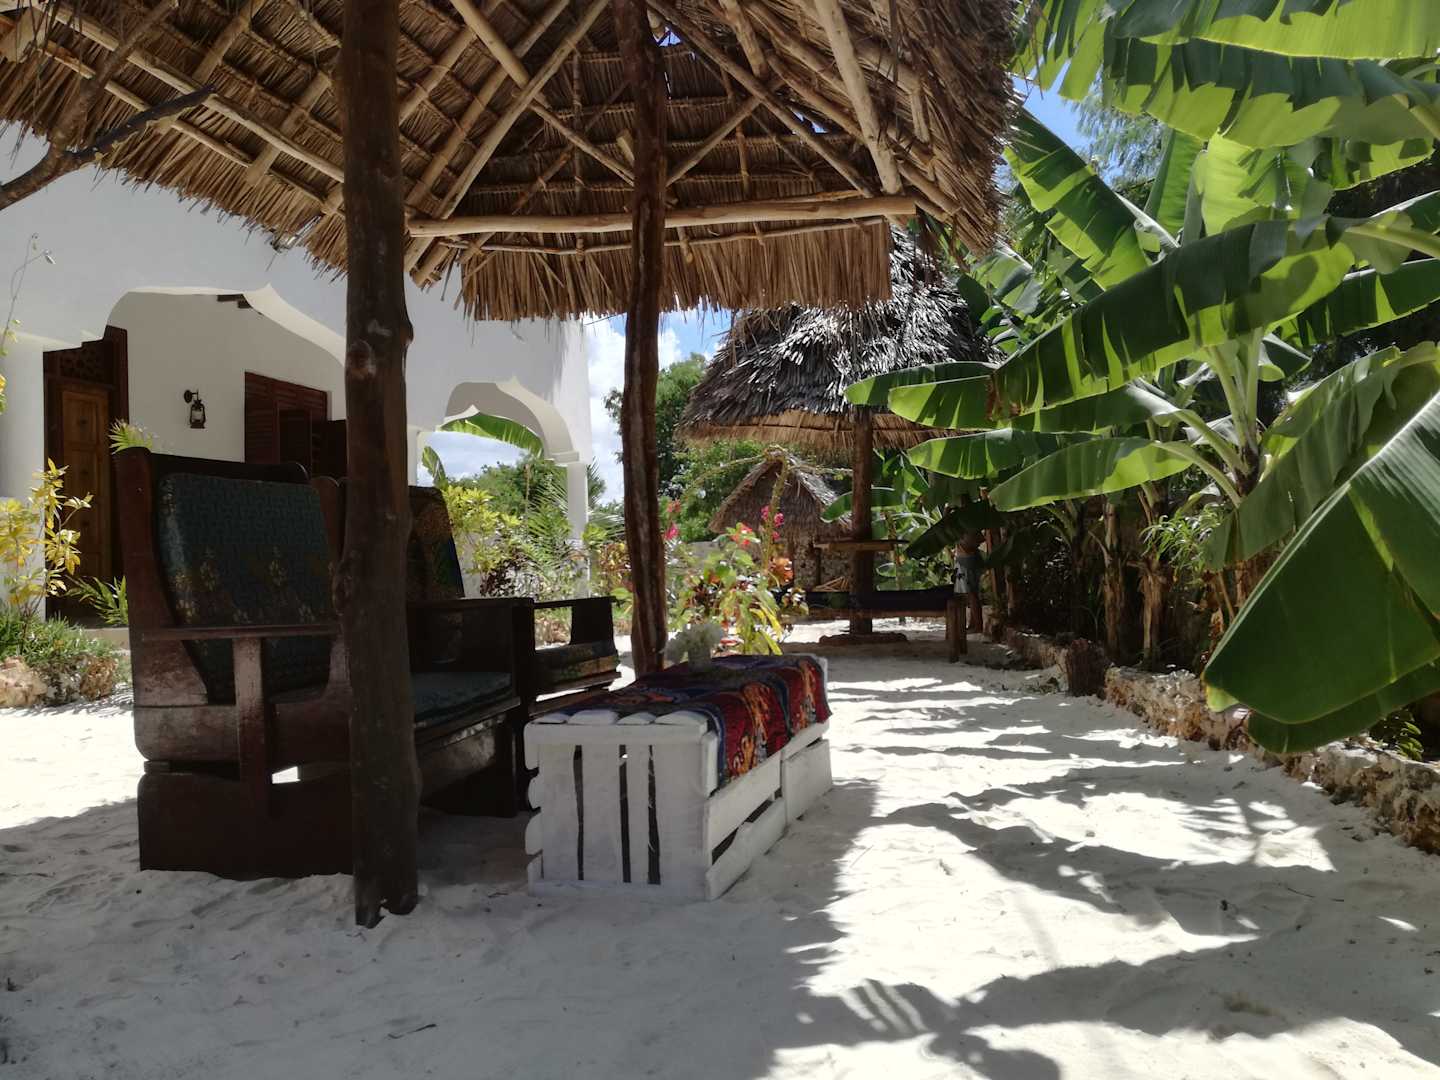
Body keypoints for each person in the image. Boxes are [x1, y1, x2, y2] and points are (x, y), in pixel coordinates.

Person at [953, 531, 985, 637]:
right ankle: (973, 624)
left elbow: (978, 539)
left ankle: (978, 625)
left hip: (967, 559)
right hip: (965, 559)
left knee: (971, 594)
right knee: (971, 594)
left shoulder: (968, 527)